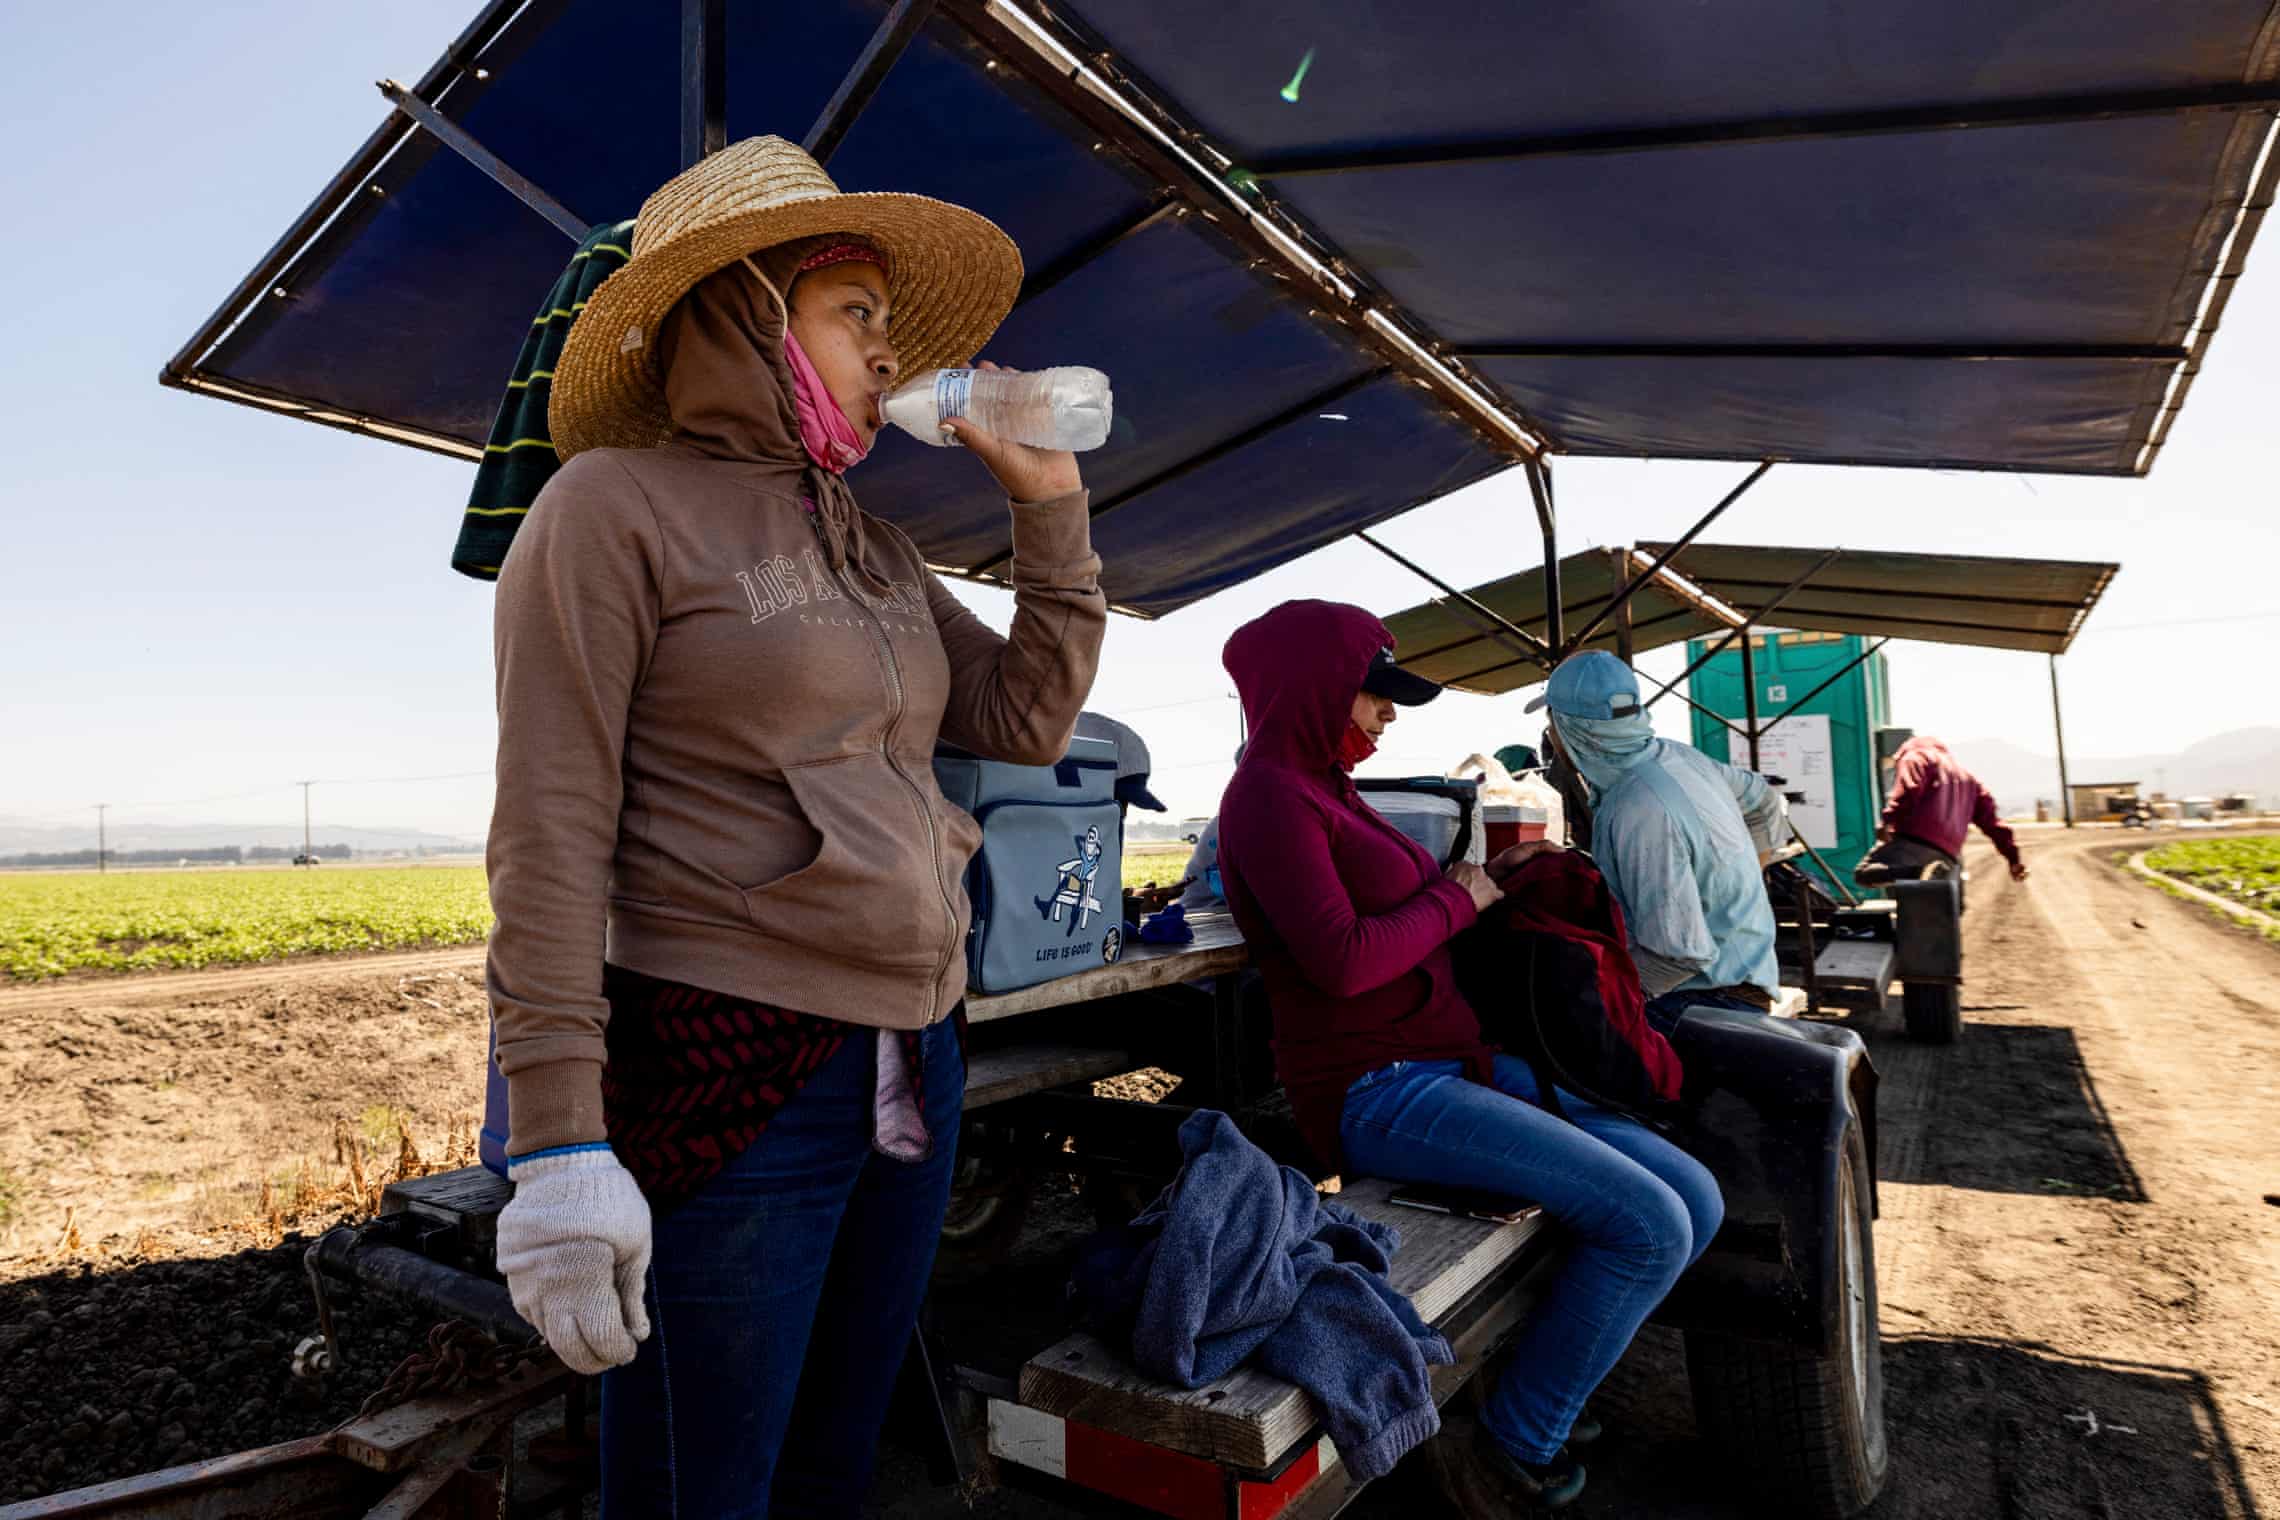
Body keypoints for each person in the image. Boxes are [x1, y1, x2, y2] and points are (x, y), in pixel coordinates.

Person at [483, 137, 1107, 1517]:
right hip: (729, 1061)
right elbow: (548, 828)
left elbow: (1022, 719)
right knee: (702, 1485)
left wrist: (1050, 512)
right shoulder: (611, 509)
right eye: (857, 314)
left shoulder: (872, 542)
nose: (888, 353)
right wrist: (560, 1144)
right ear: (749, 308)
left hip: (915, 1051)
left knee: (839, 1459)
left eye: (890, 321)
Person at [1214, 601, 1722, 1511]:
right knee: (1649, 1225)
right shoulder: (1267, 797)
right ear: (1314, 685)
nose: (1389, 713)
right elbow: (1342, 961)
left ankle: (1542, 1385)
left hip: (1449, 1064)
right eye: (1375, 692)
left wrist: (1485, 895)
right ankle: (1512, 1441)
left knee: (1697, 1196)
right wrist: (1465, 894)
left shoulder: (1328, 788)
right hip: (1376, 1090)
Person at [1528, 652, 1786, 1037]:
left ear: (1571, 730)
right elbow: (1764, 799)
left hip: (1706, 1001)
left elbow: (1678, 956)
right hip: (1747, 977)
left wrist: (1596, 997)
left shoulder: (1637, 806)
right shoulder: (1680, 758)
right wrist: (1744, 874)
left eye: (1552, 722)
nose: (1550, 735)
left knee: (1548, 1031)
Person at [1857, 735, 2028, 886]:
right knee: (1936, 905)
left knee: (1864, 873)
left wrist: (1887, 821)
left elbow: (1909, 790)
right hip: (1949, 855)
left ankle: (1917, 874)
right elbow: (1993, 824)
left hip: (1914, 843)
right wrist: (2013, 858)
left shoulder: (1916, 756)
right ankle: (1930, 880)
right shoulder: (1967, 778)